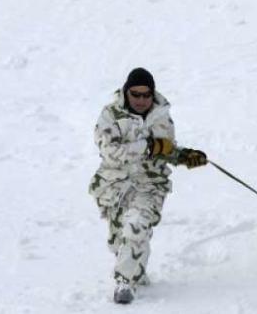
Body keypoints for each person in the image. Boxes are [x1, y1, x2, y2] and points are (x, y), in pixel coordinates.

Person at [88, 67, 207, 305]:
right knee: (120, 241)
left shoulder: (161, 114)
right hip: (114, 186)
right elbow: (111, 151)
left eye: (146, 95)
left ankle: (125, 283)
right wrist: (149, 147)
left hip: (149, 185)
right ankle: (136, 272)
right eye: (136, 94)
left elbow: (164, 148)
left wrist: (182, 156)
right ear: (126, 92)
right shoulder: (110, 116)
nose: (141, 100)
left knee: (136, 226)